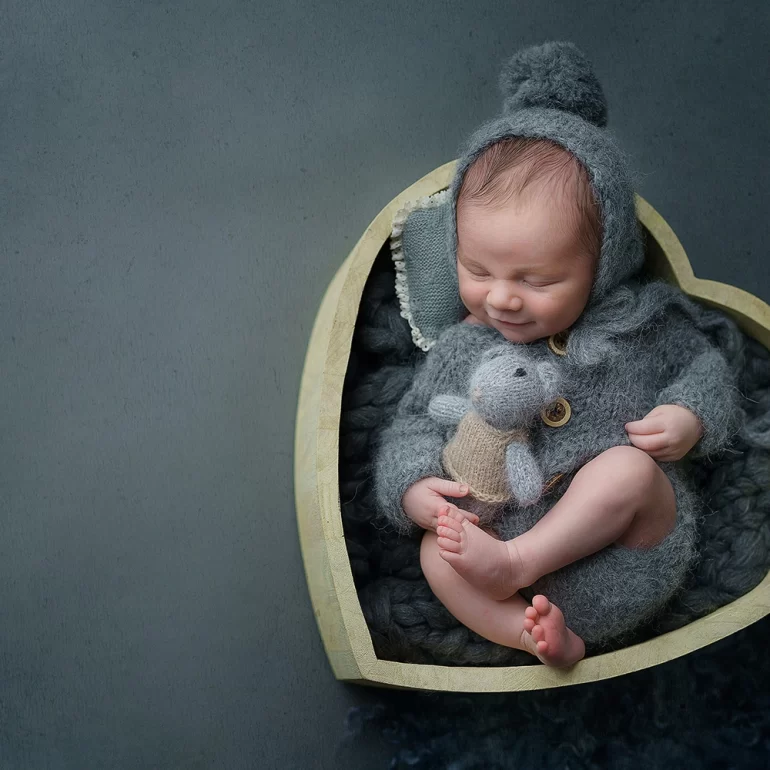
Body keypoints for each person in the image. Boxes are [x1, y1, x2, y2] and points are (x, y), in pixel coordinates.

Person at [373, 42, 743, 666]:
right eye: (477, 270)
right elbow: (411, 424)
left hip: (623, 557)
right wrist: (413, 490)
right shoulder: (463, 346)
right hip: (503, 563)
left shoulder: (638, 325)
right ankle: (530, 634)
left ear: (603, 264)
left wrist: (690, 417)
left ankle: (520, 564)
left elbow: (705, 369)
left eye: (537, 280)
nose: (501, 298)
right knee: (437, 551)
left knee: (628, 472)